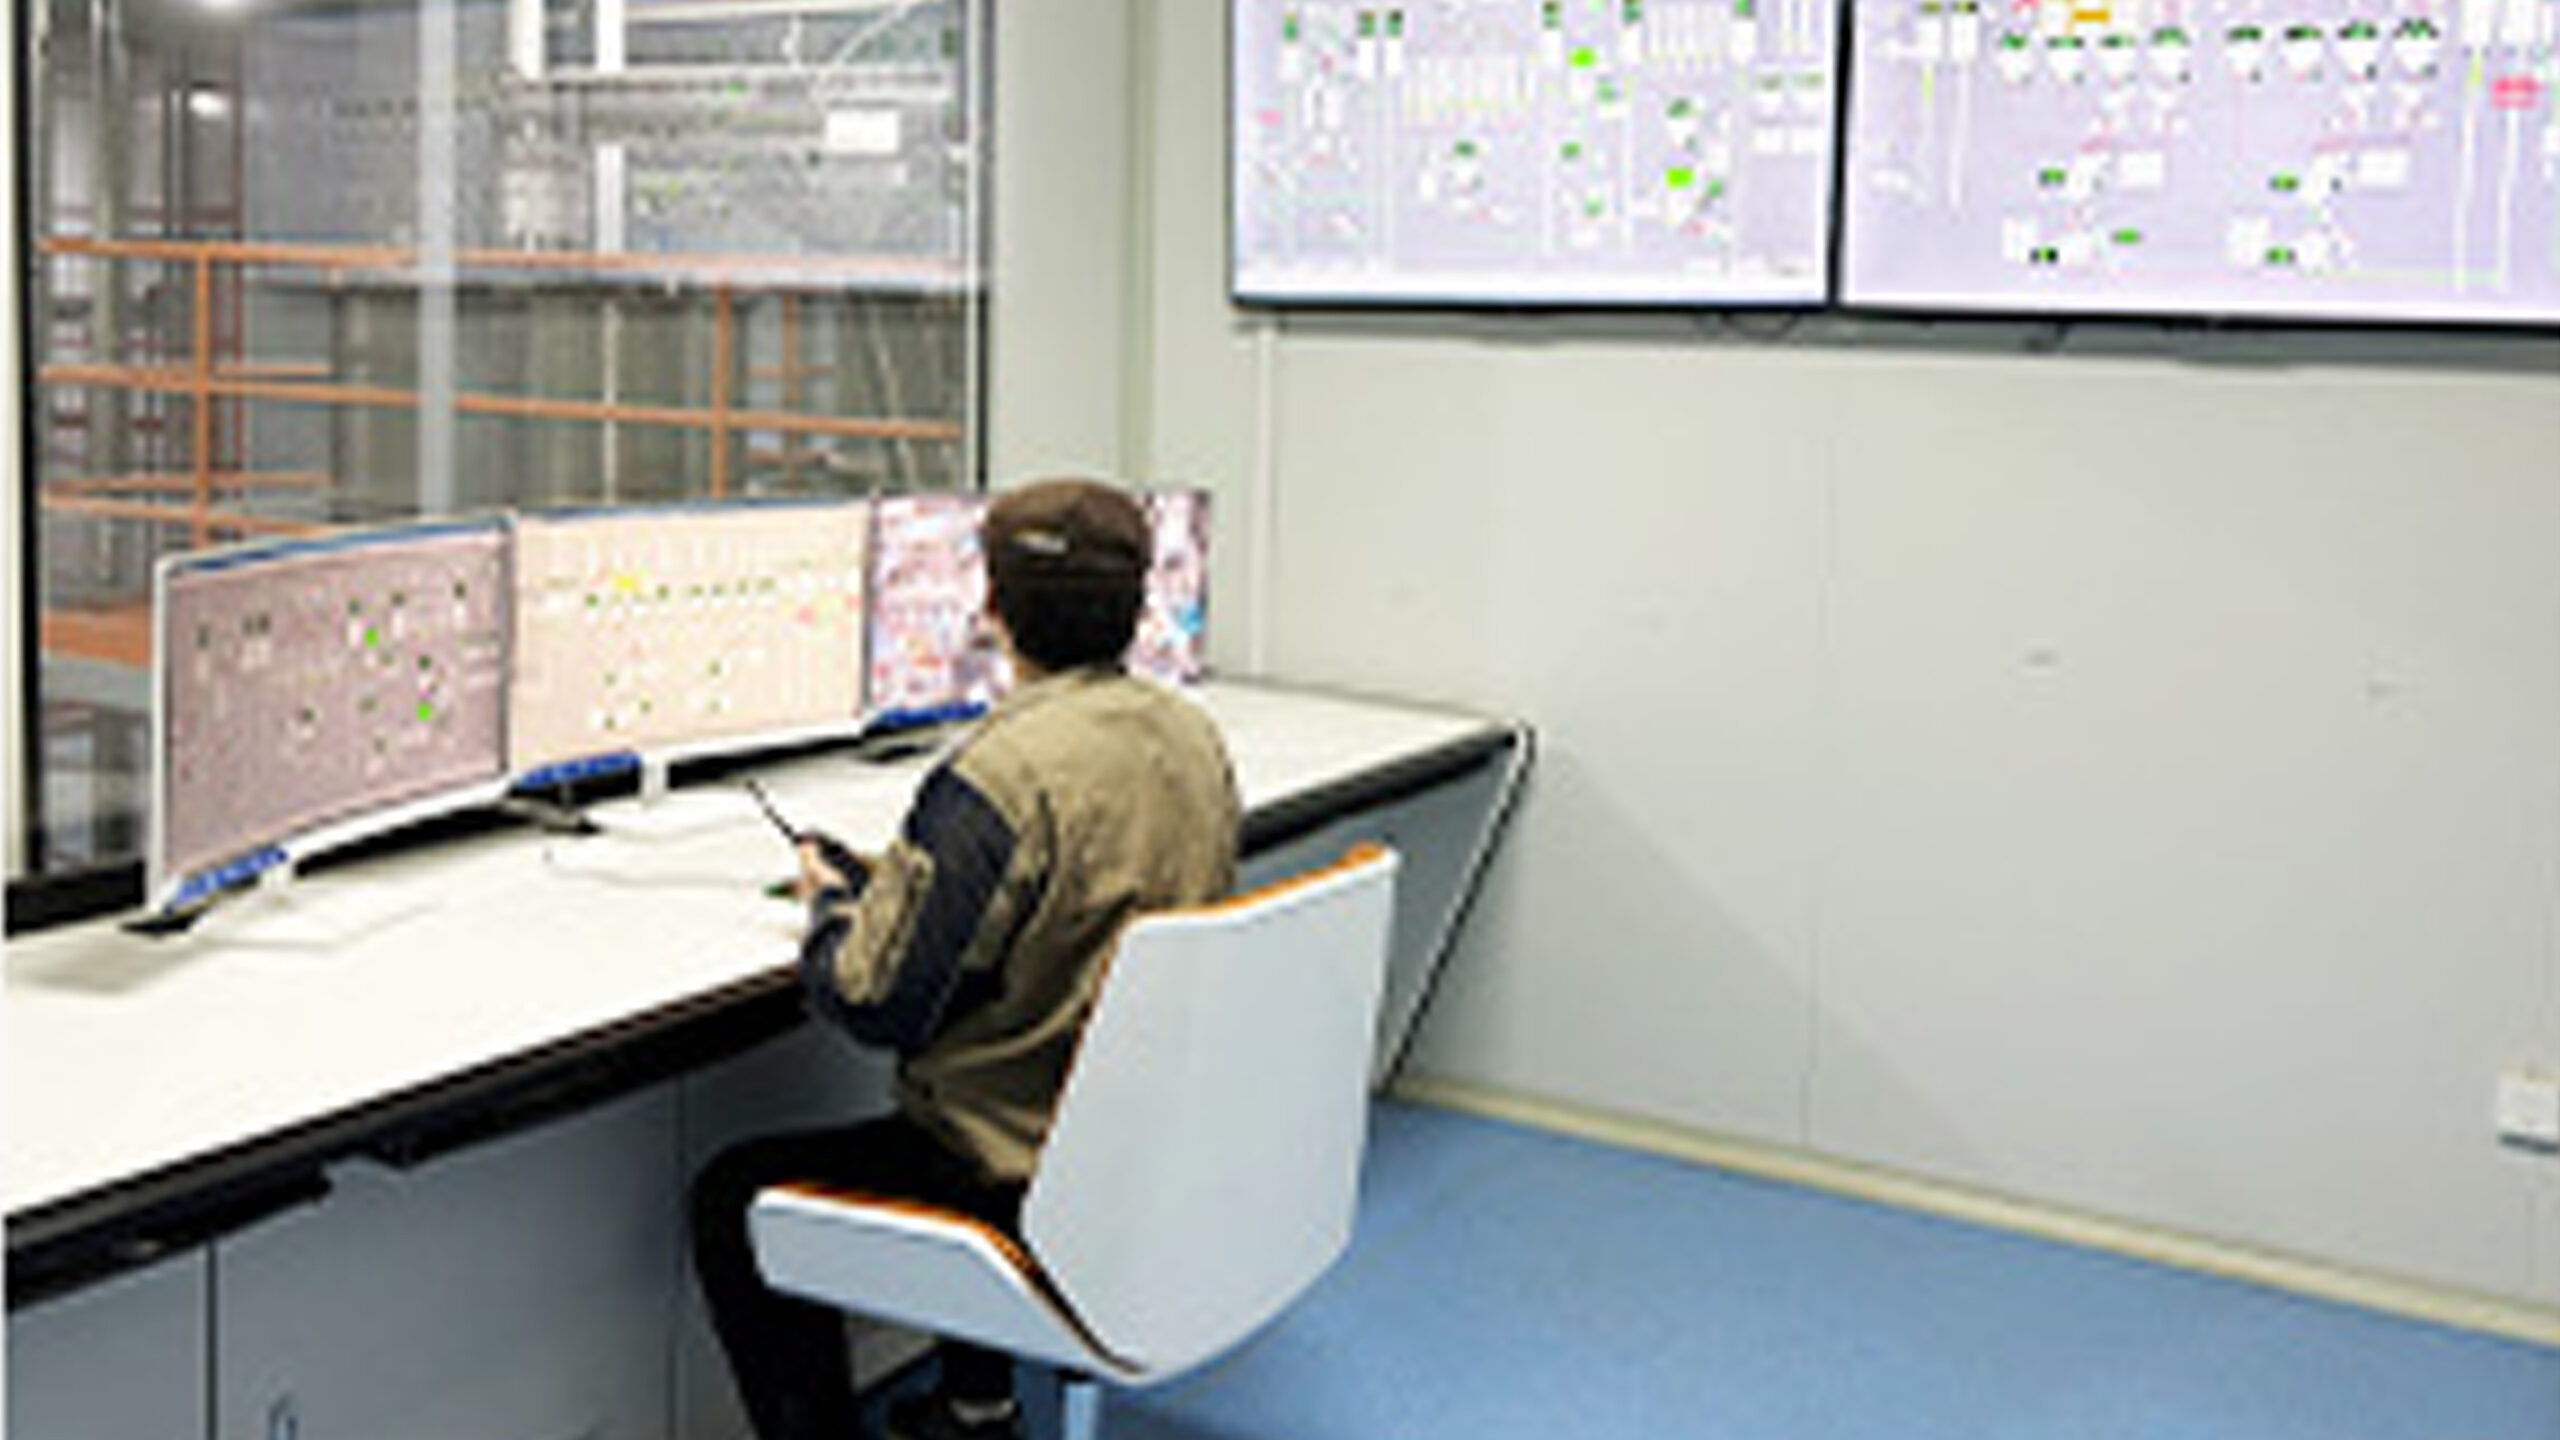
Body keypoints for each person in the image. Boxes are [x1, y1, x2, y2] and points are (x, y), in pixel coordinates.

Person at [690, 478, 1242, 1440]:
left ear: (993, 608)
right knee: (1001, 1040)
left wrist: (831, 909)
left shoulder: (996, 776)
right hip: (1139, 1148)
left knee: (733, 1197)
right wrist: (901, 883)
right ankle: (976, 1405)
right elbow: (1067, 907)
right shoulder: (1194, 740)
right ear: (1135, 606)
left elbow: (874, 1000)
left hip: (1018, 1171)